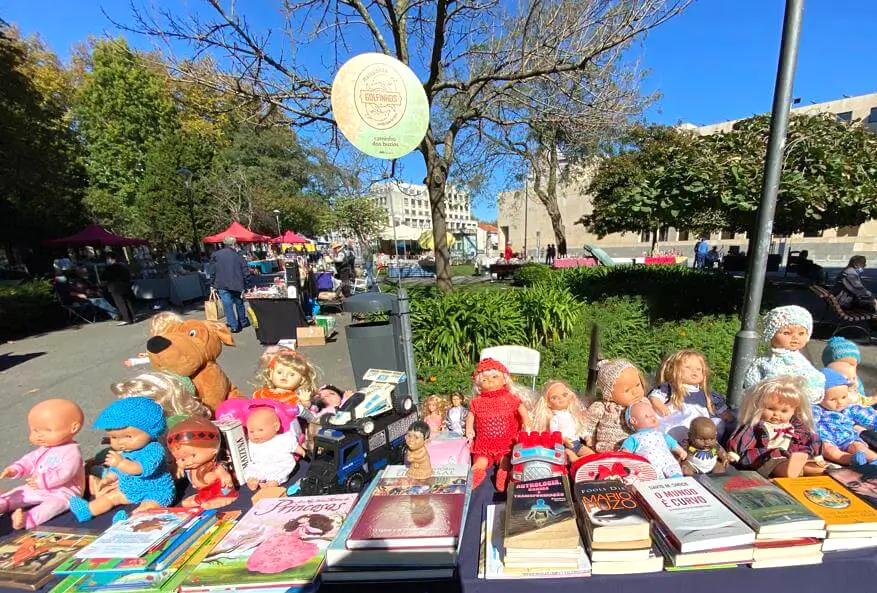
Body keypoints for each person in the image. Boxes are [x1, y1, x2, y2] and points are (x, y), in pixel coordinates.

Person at [209, 237, 250, 333]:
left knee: (227, 305)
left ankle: (233, 325)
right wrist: (247, 284)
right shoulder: (238, 255)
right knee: (239, 303)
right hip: (237, 283)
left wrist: (212, 284)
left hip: (221, 284)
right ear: (234, 244)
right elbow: (245, 271)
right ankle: (242, 321)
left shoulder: (216, 255)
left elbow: (212, 271)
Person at [104, 253, 136, 326]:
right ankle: (133, 317)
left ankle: (127, 319)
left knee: (120, 303)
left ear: (110, 259)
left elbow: (105, 277)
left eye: (107, 259)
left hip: (115, 287)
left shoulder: (110, 268)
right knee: (127, 302)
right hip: (125, 286)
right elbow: (128, 275)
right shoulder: (123, 266)